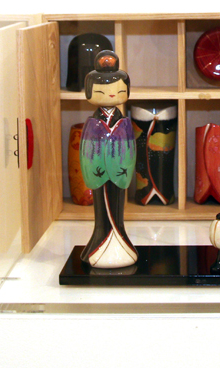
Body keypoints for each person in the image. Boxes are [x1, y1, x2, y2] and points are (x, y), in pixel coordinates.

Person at [79, 50, 137, 268]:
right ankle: (100, 241)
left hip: (119, 169)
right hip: (99, 170)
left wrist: (125, 168)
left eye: (119, 91)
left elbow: (130, 149)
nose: (112, 95)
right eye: (102, 91)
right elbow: (87, 151)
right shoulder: (93, 123)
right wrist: (93, 169)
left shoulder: (123, 121)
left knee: (117, 206)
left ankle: (118, 241)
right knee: (101, 209)